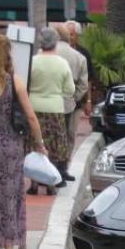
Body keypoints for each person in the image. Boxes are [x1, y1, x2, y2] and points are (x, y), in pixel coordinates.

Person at [0, 35, 47, 249]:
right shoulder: (14, 82)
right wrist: (40, 144)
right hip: (9, 151)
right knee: (9, 200)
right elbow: (31, 118)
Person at [28, 27, 75, 195]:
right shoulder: (62, 64)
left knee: (35, 144)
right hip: (55, 108)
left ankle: (33, 184)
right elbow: (70, 89)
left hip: (33, 107)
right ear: (55, 42)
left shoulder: (32, 61)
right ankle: (50, 185)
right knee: (53, 146)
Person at [55, 24, 88, 182]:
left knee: (51, 137)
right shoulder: (79, 57)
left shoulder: (42, 55)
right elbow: (83, 84)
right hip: (68, 103)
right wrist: (74, 99)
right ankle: (62, 169)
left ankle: (54, 169)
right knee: (67, 136)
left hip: (48, 103)